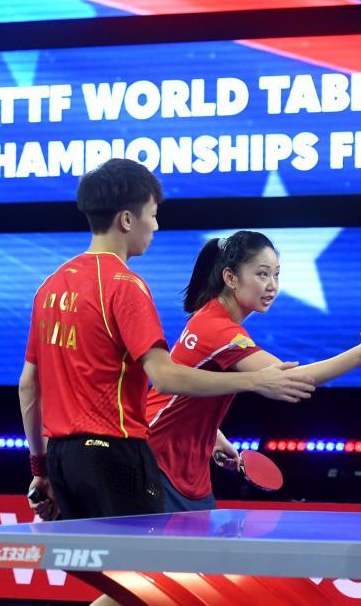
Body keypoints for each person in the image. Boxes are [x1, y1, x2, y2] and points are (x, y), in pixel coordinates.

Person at [19, 159, 315, 522]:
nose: (156, 226)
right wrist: (255, 381)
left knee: (91, 556)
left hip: (62, 459)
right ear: (127, 220)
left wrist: (40, 468)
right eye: (153, 214)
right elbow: (165, 377)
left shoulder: (50, 286)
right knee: (146, 558)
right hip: (114, 456)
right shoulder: (125, 286)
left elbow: (29, 386)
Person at [146, 230, 361, 512]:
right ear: (230, 278)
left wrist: (212, 434)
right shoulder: (218, 329)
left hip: (185, 463)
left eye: (276, 275)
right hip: (157, 459)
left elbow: (187, 392)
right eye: (262, 274)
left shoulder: (210, 316)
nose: (272, 286)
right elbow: (291, 378)